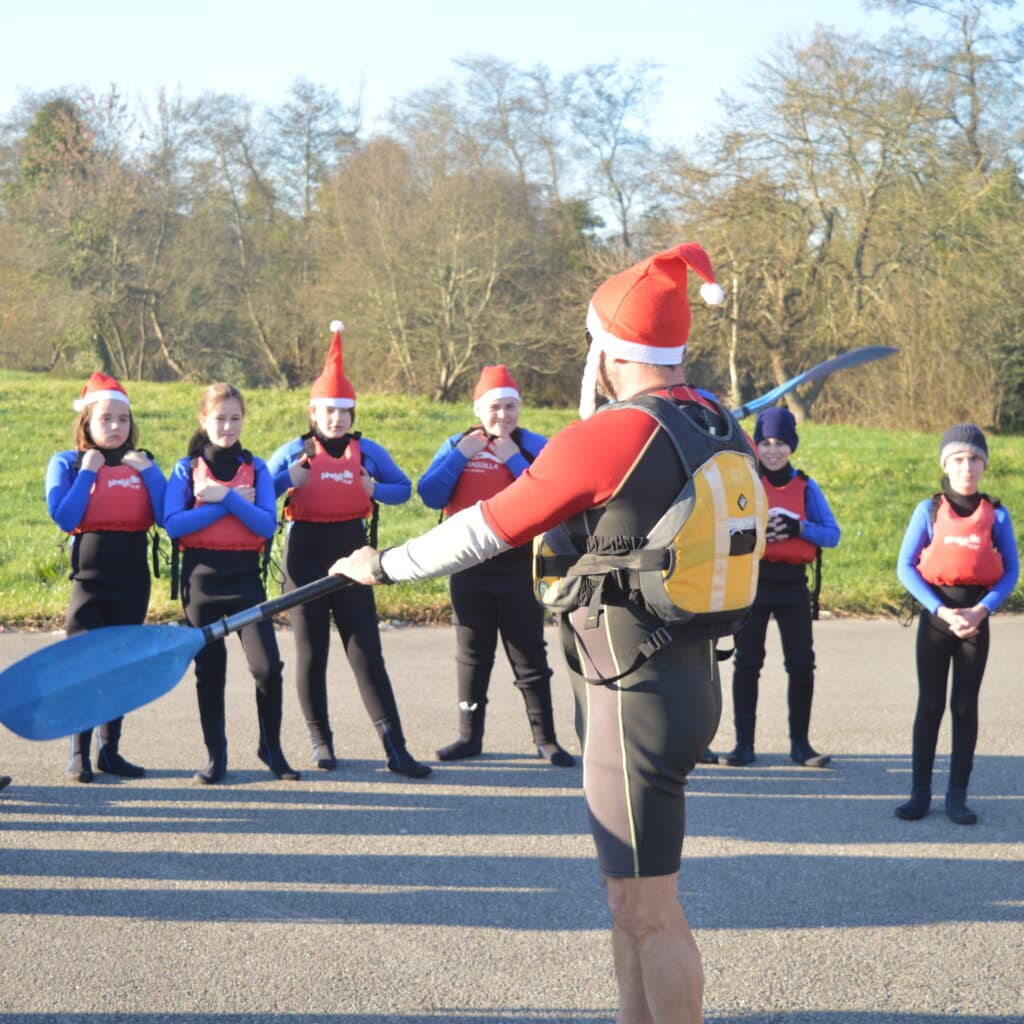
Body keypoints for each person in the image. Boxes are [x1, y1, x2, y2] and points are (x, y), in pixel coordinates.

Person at [330, 242, 758, 1024]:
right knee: (628, 899)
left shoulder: (613, 436)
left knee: (649, 908)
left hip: (637, 694)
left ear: (608, 348)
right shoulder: (717, 421)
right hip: (683, 676)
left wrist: (382, 564)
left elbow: (483, 530)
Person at [267, 322, 430, 779]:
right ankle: (321, 742)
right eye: (327, 411)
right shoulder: (294, 451)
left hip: (354, 556)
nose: (336, 419)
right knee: (311, 652)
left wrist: (373, 486)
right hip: (304, 554)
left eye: (343, 412)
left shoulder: (367, 449)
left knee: (365, 652)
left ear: (352, 413)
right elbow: (260, 492)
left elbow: (404, 489)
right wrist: (286, 482)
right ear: (312, 411)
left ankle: (395, 747)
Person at [417, 364, 575, 768]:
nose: (503, 416)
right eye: (494, 407)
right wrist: (459, 457)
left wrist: (514, 461)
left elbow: (556, 498)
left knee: (529, 654)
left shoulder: (536, 446)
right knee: (472, 655)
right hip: (468, 565)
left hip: (519, 566)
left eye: (510, 407)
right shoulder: (457, 444)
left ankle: (547, 740)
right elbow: (431, 495)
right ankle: (469, 737)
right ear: (477, 409)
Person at [164, 382, 300, 785]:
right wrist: (226, 503)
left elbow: (263, 525)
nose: (227, 426)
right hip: (201, 581)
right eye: (220, 418)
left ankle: (270, 747)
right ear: (204, 420)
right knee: (210, 670)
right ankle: (216, 755)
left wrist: (222, 496)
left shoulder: (256, 468)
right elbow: (174, 525)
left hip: (245, 580)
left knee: (267, 668)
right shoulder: (185, 469)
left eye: (235, 418)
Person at [45, 372, 167, 783]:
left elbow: (168, 517)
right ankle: (77, 752)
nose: (116, 427)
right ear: (87, 423)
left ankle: (109, 751)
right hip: (88, 581)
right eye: (106, 419)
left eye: (123, 419)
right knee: (83, 664)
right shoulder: (68, 462)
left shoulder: (144, 462)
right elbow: (64, 516)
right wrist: (88, 472)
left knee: (120, 666)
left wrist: (148, 472)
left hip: (132, 578)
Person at [895, 423, 1018, 825]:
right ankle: (919, 794)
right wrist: (941, 610)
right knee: (930, 704)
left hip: (975, 620)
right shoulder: (928, 511)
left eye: (975, 459)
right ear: (946, 465)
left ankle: (957, 796)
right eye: (959, 460)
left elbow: (1011, 572)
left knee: (964, 706)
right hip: (937, 618)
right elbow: (906, 567)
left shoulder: (996, 514)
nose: (967, 467)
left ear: (984, 465)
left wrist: (981, 611)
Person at [718, 406, 841, 768]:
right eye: (766, 442)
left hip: (792, 588)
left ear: (792, 446)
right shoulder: (745, 482)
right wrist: (757, 531)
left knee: (801, 664)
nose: (773, 450)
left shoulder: (806, 486)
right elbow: (723, 528)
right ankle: (743, 746)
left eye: (781, 443)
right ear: (756, 445)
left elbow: (832, 534)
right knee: (747, 663)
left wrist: (798, 528)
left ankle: (801, 746)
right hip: (753, 583)